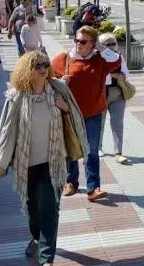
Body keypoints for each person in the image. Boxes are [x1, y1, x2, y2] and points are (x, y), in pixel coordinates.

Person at [0, 50, 86, 265]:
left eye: (45, 65)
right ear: (26, 70)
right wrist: (0, 166)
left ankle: (46, 258)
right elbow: (8, 133)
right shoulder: (17, 97)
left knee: (50, 207)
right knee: (33, 208)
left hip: (55, 160)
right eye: (37, 65)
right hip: (27, 163)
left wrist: (64, 108)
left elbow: (75, 117)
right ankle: (36, 237)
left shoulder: (58, 89)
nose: (43, 69)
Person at [50, 26, 121, 201]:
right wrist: (60, 82)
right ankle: (71, 182)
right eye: (76, 40)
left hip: (93, 114)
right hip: (70, 114)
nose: (78, 44)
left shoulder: (100, 61)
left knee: (92, 151)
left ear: (92, 44)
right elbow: (47, 79)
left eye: (83, 41)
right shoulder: (64, 59)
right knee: (71, 149)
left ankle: (93, 188)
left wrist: (100, 47)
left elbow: (117, 60)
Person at [99, 33, 130, 165]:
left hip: (118, 93)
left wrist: (115, 75)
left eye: (113, 43)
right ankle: (98, 147)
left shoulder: (119, 57)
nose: (111, 46)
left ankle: (119, 152)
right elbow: (102, 77)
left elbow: (125, 74)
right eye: (107, 44)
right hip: (101, 94)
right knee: (99, 122)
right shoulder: (97, 58)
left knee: (117, 123)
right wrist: (114, 74)